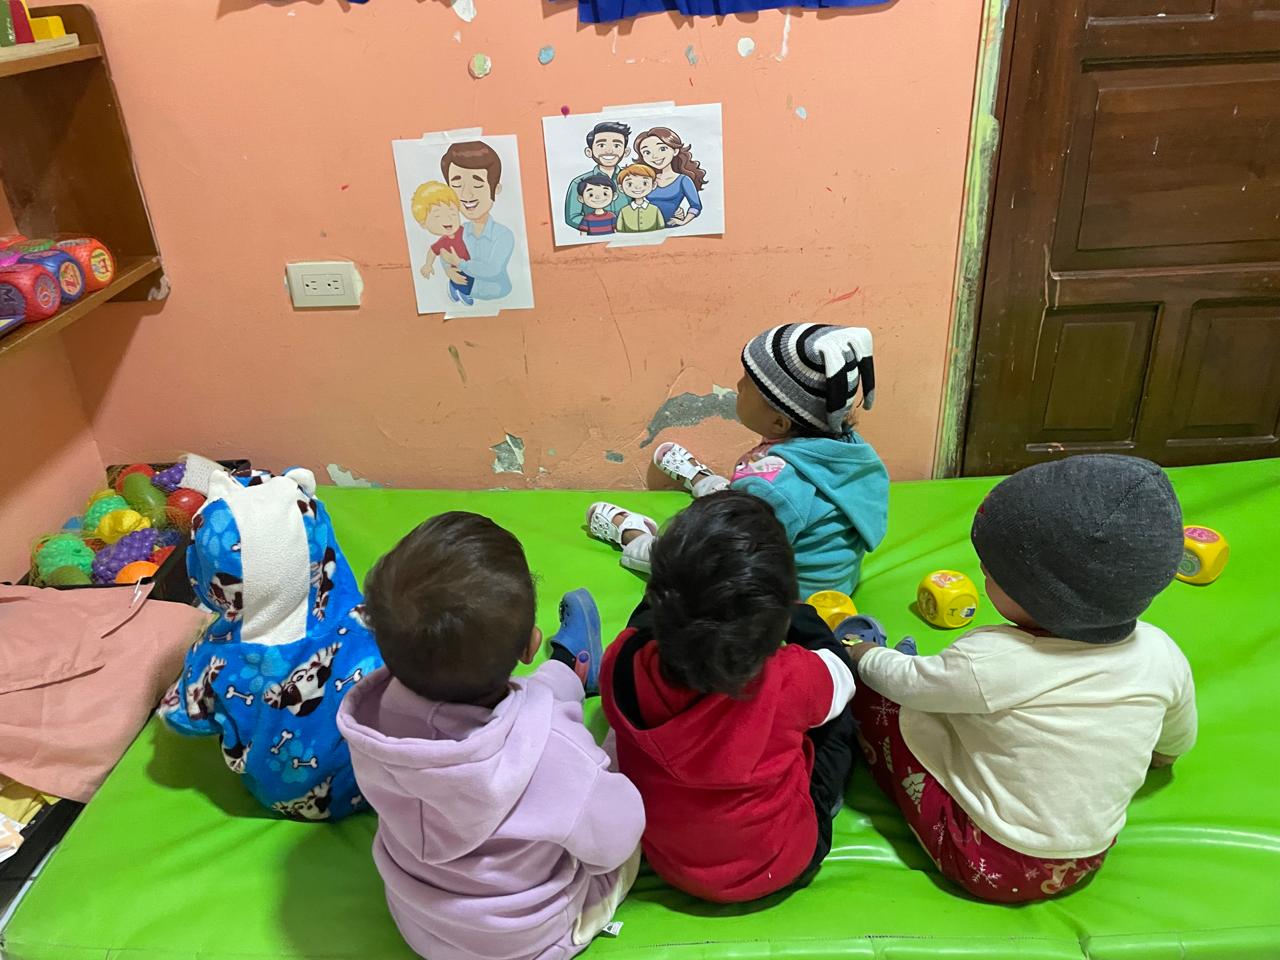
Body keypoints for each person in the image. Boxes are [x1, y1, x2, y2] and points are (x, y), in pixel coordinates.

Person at [843, 455, 1197, 903]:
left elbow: (906, 682)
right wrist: (1161, 755)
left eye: (993, 573)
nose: (982, 573)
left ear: (1045, 596)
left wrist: (864, 654)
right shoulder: (1161, 651)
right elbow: (1176, 739)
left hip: (983, 857)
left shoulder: (991, 658)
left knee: (882, 704)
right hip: (1084, 857)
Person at [337, 513, 644, 960]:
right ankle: (574, 671)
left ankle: (569, 671)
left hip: (422, 924)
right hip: (530, 940)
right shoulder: (555, 752)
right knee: (616, 750)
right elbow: (617, 837)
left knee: (535, 703)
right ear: (529, 645)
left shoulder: (371, 722)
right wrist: (606, 761)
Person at [600, 492, 857, 902]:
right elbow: (842, 673)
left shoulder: (621, 662)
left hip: (671, 863)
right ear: (775, 629)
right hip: (782, 859)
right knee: (841, 720)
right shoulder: (788, 677)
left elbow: (649, 623)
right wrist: (801, 616)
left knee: (643, 629)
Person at [586, 323, 889, 598]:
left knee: (684, 559)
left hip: (787, 599)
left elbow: (719, 553)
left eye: (748, 383)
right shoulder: (845, 448)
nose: (738, 385)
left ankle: (635, 535)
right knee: (748, 502)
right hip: (836, 584)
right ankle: (705, 483)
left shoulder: (774, 487)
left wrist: (661, 550)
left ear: (779, 422)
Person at [438, 141, 514, 301]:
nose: (466, 194)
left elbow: (493, 269)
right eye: (457, 184)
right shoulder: (457, 231)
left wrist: (460, 264)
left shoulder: (503, 235)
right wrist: (448, 270)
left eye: (477, 185)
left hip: (499, 295)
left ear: (496, 188)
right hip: (465, 295)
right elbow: (443, 252)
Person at [411, 181, 474, 306]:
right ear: (423, 224)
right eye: (438, 216)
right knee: (464, 280)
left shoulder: (464, 230)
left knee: (470, 277)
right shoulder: (442, 242)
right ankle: (462, 292)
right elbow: (432, 251)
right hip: (456, 267)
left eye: (452, 213)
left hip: (468, 263)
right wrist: (428, 265)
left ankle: (455, 288)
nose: (448, 219)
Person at [564, 121, 630, 231]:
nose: (609, 150)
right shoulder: (579, 182)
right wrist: (600, 226)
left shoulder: (631, 178)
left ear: (626, 151)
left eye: (616, 145)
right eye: (601, 145)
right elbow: (572, 217)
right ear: (589, 152)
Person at [634, 127, 706, 226]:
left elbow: (696, 206)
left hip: (671, 226)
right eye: (647, 152)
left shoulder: (683, 180)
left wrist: (684, 221)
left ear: (675, 151)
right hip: (648, 225)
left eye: (662, 149)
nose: (654, 156)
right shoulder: (646, 179)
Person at [615, 163, 666, 233]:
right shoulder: (624, 211)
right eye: (630, 184)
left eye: (644, 183)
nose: (637, 187)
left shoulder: (655, 210)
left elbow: (661, 228)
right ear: (621, 188)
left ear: (653, 185)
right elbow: (620, 230)